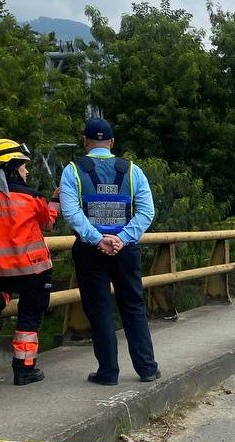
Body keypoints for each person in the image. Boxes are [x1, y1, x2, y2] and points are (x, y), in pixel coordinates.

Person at [58, 118, 160, 385]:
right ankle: (147, 368)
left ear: (85, 141)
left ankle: (108, 372)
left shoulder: (73, 171)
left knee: (100, 308)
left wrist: (97, 239)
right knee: (133, 306)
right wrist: (122, 238)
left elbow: (70, 211)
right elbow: (147, 211)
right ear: (112, 143)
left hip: (90, 250)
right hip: (125, 250)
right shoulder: (132, 170)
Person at [0, 139, 59, 385]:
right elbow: (48, 224)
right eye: (23, 166)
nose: (27, 170)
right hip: (33, 269)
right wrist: (55, 201)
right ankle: (24, 368)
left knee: (4, 287)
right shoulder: (31, 197)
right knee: (29, 318)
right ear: (12, 167)